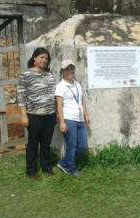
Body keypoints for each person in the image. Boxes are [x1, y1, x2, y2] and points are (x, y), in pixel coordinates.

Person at [18, 47, 57, 180]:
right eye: (41, 57)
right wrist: (23, 115)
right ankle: (32, 171)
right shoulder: (26, 75)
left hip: (50, 115)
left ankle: (46, 167)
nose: (44, 60)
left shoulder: (50, 74)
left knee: (46, 144)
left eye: (46, 58)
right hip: (34, 115)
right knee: (33, 144)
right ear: (34, 58)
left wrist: (56, 113)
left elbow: (54, 94)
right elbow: (21, 96)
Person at [55, 59, 90, 177]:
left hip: (80, 119)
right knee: (72, 146)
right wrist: (62, 122)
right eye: (67, 69)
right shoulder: (60, 86)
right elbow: (59, 105)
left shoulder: (77, 84)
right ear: (62, 71)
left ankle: (64, 163)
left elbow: (82, 101)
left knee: (83, 147)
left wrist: (86, 114)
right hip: (69, 119)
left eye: (71, 68)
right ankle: (71, 168)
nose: (70, 71)